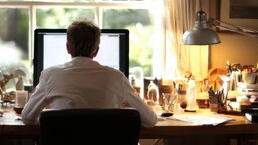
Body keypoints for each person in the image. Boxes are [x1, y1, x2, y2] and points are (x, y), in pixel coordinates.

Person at [21, 19, 158, 128]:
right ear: (96, 51)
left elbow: (27, 117)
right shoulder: (117, 78)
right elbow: (150, 120)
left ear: (68, 48)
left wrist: (50, 121)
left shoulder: (49, 76)